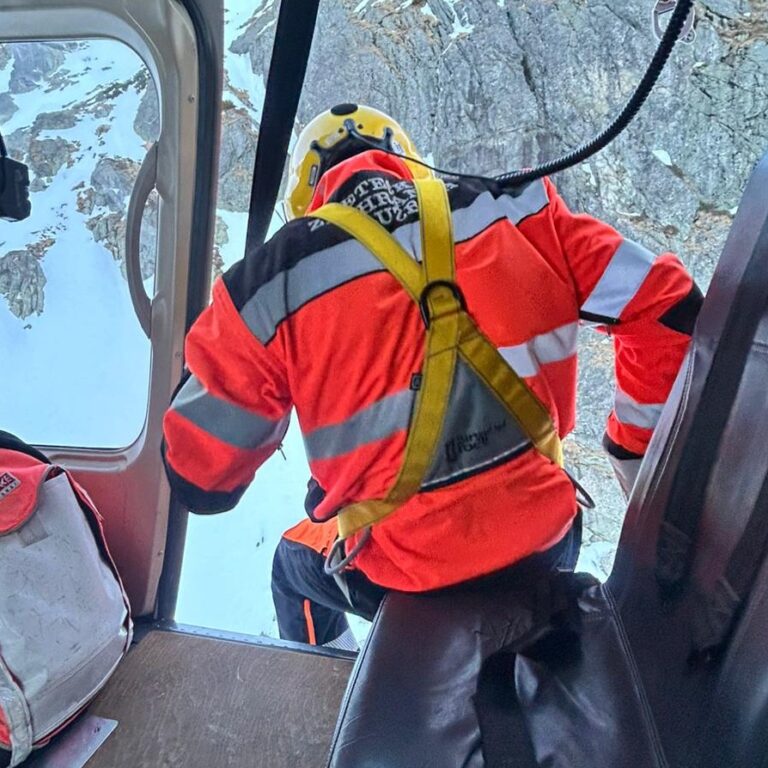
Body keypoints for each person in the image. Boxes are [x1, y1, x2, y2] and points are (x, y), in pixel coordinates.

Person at [162, 104, 701, 650]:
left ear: (306, 201)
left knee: (290, 571)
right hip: (547, 543)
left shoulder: (265, 284)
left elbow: (201, 486)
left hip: (407, 580)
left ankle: (351, 698)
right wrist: (630, 447)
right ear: (408, 163)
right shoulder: (518, 211)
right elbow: (671, 309)